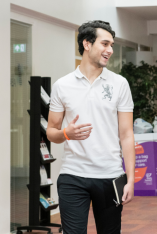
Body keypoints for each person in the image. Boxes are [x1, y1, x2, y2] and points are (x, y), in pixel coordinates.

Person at [47, 20, 135, 234]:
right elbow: (51, 131)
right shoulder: (62, 85)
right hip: (73, 175)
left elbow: (126, 134)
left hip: (110, 175)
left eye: (112, 45)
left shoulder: (119, 84)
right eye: (105, 44)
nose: (110, 50)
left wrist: (131, 179)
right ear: (87, 44)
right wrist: (66, 134)